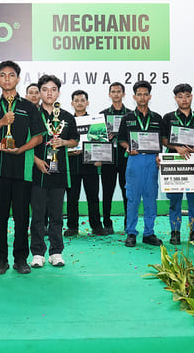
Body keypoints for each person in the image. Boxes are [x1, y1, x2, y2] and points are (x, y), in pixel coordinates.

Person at [0, 60, 45, 275]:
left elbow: (38, 137)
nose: (7, 79)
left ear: (18, 79)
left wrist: (20, 150)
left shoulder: (29, 107)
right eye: (2, 75)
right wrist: (1, 122)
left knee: (21, 218)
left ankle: (20, 259)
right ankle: (0, 260)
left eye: (11, 75)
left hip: (22, 171)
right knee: (0, 219)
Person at [30, 75, 79, 268]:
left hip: (59, 171)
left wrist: (63, 142)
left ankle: (56, 252)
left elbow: (75, 140)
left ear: (58, 92)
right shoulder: (32, 115)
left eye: (53, 89)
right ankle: (37, 253)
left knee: (57, 215)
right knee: (38, 215)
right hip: (37, 171)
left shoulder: (66, 116)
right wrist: (36, 161)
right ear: (39, 92)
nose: (49, 93)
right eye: (45, 89)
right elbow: (25, 142)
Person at [117, 81, 163, 247]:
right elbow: (121, 139)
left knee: (151, 199)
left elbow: (161, 141)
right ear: (134, 97)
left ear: (150, 97)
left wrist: (159, 156)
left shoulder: (157, 118)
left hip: (151, 161)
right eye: (139, 94)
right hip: (134, 160)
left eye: (145, 94)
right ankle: (131, 232)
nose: (142, 97)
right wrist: (128, 147)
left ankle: (149, 233)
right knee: (133, 199)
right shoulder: (127, 118)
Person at [162, 83, 194, 244]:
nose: (184, 100)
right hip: (174, 164)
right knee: (175, 202)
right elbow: (164, 140)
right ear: (175, 99)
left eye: (187, 96)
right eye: (180, 97)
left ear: (191, 97)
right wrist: (176, 147)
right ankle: (175, 232)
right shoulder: (168, 118)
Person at [65, 90, 106, 236]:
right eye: (76, 101)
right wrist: (71, 150)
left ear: (87, 103)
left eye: (82, 100)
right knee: (72, 198)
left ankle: (97, 226)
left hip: (90, 164)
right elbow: (62, 142)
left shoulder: (95, 121)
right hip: (72, 164)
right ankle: (72, 227)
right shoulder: (66, 122)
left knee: (93, 197)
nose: (79, 103)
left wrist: (100, 158)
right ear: (72, 103)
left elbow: (101, 142)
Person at [99, 82, 130, 234]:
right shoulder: (102, 115)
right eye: (113, 91)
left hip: (126, 158)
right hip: (108, 159)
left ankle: (128, 222)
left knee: (127, 192)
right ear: (109, 94)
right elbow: (97, 137)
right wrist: (105, 136)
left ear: (123, 94)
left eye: (119, 91)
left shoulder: (131, 114)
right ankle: (107, 223)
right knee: (107, 192)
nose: (116, 94)